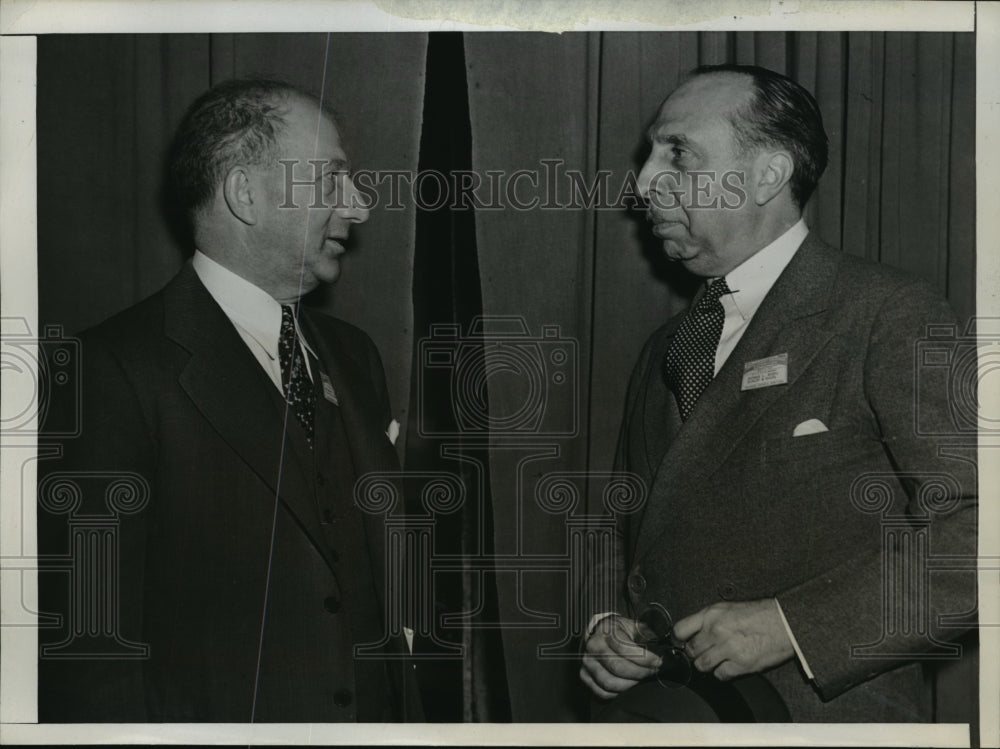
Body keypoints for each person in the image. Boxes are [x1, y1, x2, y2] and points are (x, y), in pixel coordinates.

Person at [580, 64, 977, 722]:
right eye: (650, 154)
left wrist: (792, 627)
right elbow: (622, 522)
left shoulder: (886, 312)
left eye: (677, 153)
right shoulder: (668, 347)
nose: (644, 181)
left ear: (766, 174)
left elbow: (979, 533)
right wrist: (605, 624)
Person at [37, 78, 421, 722]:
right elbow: (90, 652)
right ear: (245, 194)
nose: (358, 207)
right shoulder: (106, 370)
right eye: (331, 181)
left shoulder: (354, 354)